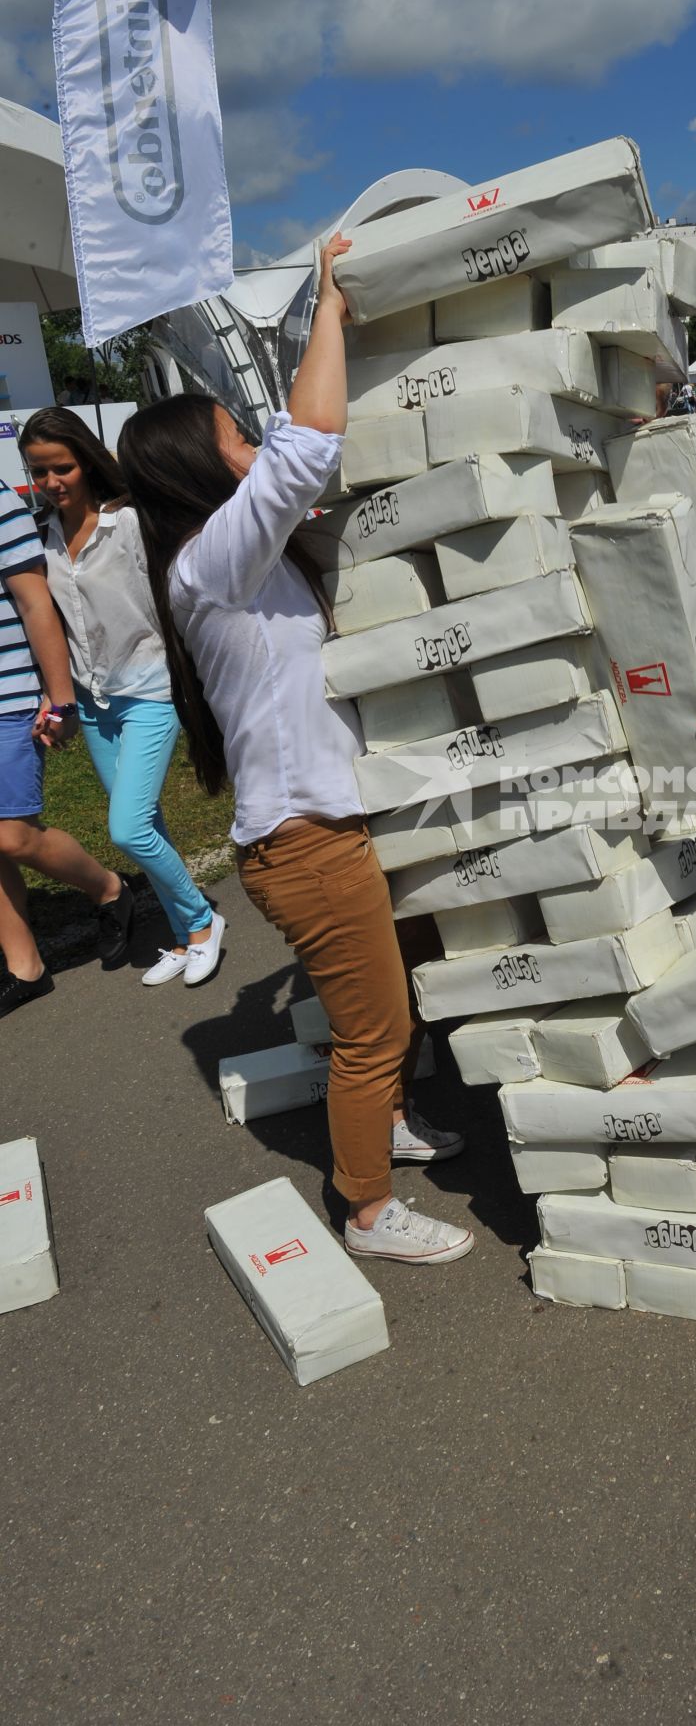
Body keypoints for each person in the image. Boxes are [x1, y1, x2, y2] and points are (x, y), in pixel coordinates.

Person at [118, 235, 472, 1269]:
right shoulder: (208, 561)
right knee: (371, 1033)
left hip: (325, 825)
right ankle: (365, 1210)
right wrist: (327, 307)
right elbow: (310, 443)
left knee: (388, 1007)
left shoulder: (236, 556)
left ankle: (389, 1127)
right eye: (237, 436)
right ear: (196, 461)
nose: (255, 445)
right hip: (304, 843)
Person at [18, 409, 224, 987]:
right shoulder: (46, 536)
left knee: (128, 827)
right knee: (147, 821)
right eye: (39, 472)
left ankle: (206, 921)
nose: (52, 482)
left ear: (86, 461)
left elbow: (170, 597)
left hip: (151, 690)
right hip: (94, 702)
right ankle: (187, 934)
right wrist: (60, 702)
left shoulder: (129, 523)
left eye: (62, 468)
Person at [0, 474, 135, 1015]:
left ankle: (109, 888)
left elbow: (35, 605)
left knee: (10, 835)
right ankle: (24, 965)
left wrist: (60, 699)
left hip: (6, 693)